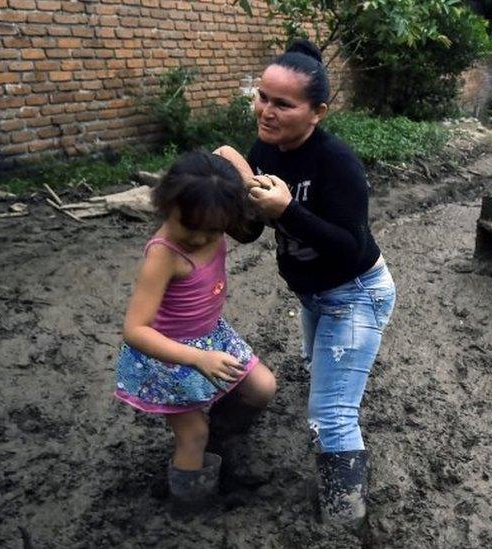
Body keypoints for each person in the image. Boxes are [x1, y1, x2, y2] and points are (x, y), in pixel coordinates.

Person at [214, 39, 396, 524]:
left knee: (332, 416)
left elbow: (352, 248)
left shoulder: (337, 163)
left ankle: (344, 519)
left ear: (317, 112)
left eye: (283, 104)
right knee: (317, 370)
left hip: (356, 293)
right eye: (262, 97)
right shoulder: (263, 149)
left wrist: (289, 210)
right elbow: (252, 231)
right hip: (313, 295)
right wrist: (233, 202)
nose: (266, 111)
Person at [114, 151, 278, 508]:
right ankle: (189, 507)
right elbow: (135, 329)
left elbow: (227, 154)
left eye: (213, 232)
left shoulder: (214, 214)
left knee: (262, 388)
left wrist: (245, 181)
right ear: (165, 207)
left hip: (211, 336)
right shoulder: (164, 254)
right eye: (190, 231)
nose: (202, 240)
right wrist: (197, 358)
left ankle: (222, 441)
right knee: (192, 435)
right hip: (171, 354)